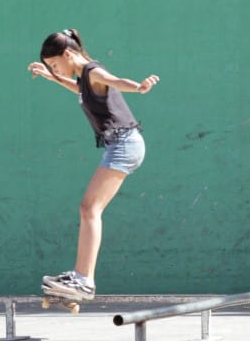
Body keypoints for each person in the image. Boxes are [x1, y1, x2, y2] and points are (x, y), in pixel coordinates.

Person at [27, 29, 159, 300]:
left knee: (89, 208)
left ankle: (84, 280)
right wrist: (51, 75)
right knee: (89, 208)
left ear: (68, 54)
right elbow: (78, 89)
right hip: (120, 144)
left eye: (54, 64)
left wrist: (139, 87)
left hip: (125, 144)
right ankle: (81, 276)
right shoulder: (84, 79)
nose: (54, 68)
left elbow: (115, 81)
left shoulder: (92, 70)